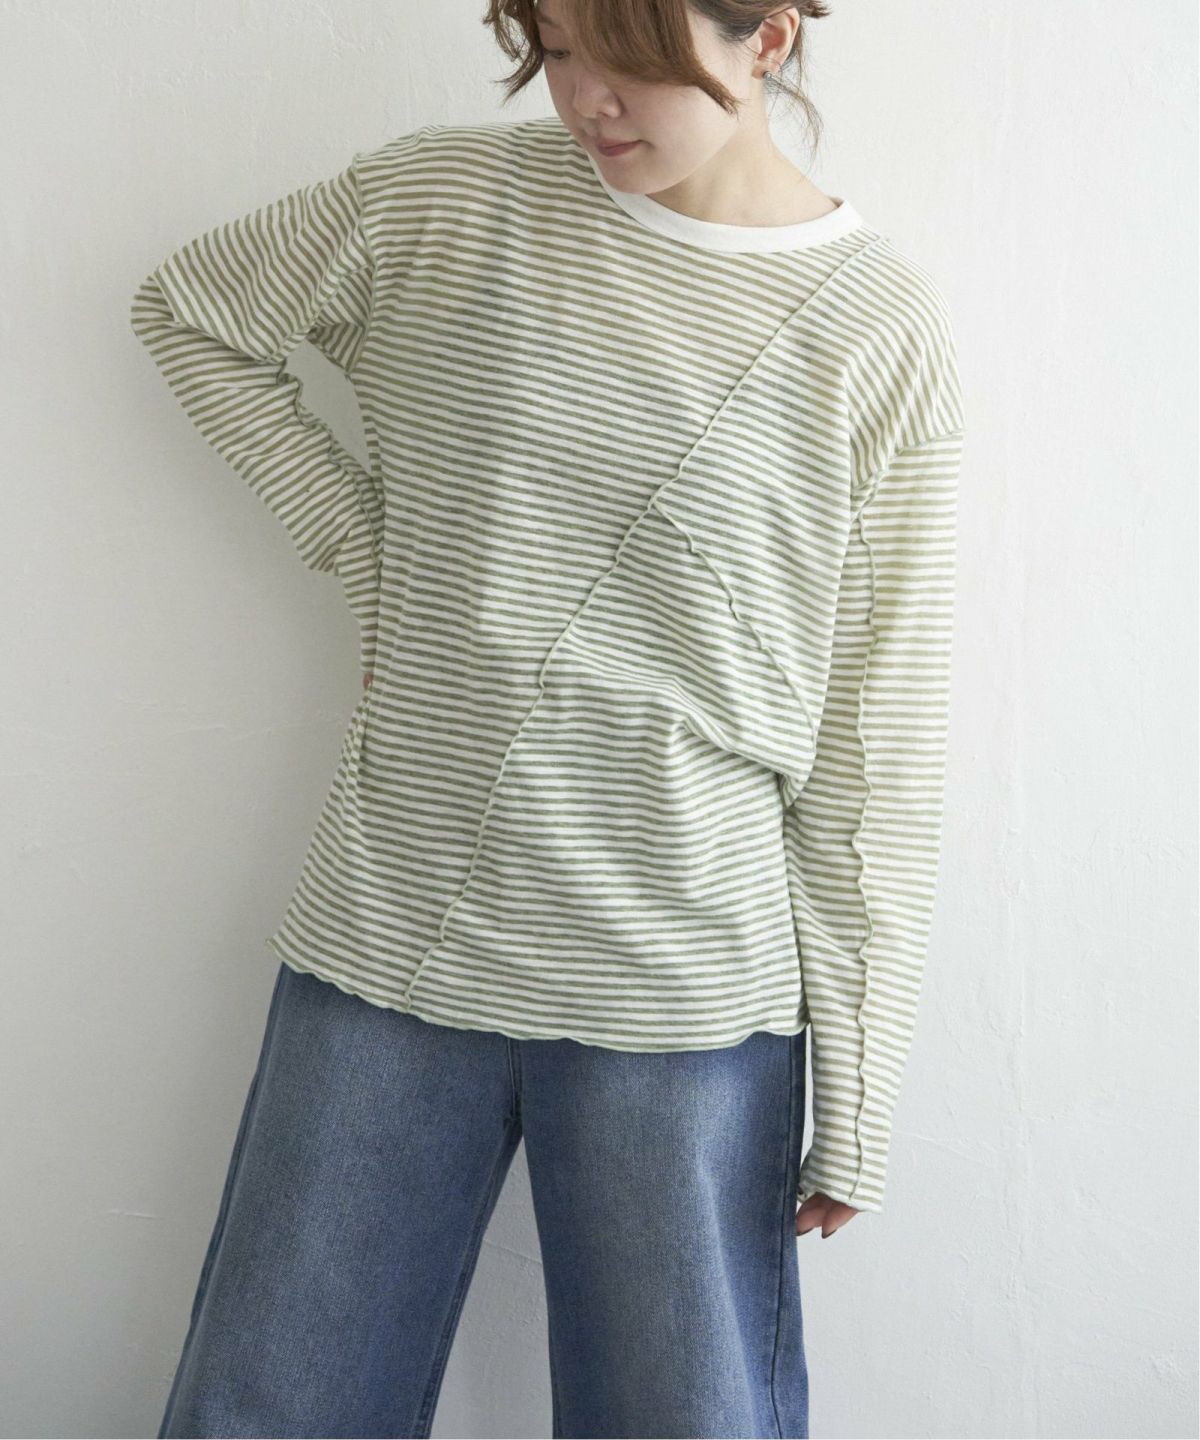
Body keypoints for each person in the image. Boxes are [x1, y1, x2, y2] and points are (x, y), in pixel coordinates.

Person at [131, 1, 965, 1435]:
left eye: (630, 58)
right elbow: (195, 311)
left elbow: (875, 752)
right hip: (393, 936)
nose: (587, 100)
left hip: (685, 996)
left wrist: (862, 1080)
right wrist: (370, 551)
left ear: (767, 39)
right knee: (269, 1405)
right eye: (558, 49)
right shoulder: (446, 200)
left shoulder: (875, 332)